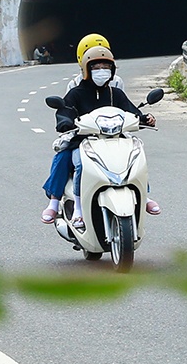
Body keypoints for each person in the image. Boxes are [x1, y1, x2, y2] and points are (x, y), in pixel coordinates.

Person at [39, 45, 160, 229]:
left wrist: (145, 119)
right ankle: (66, 206)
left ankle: (144, 195)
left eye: (106, 67)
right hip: (83, 141)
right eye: (96, 67)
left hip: (113, 139)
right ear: (87, 69)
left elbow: (131, 111)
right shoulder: (76, 93)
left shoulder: (115, 93)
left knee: (135, 155)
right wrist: (65, 122)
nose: (101, 71)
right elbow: (65, 111)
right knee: (74, 161)